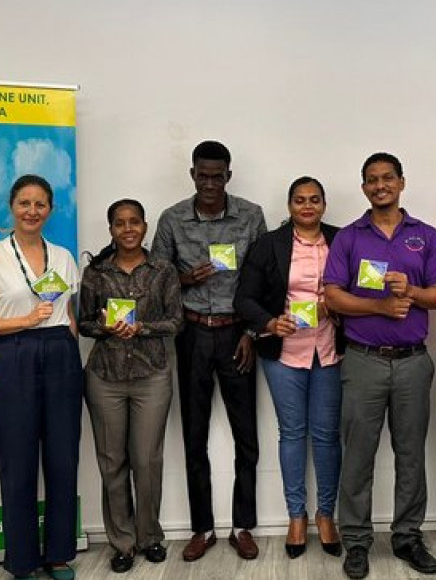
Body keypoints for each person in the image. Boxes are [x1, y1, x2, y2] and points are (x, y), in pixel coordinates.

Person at [323, 152, 436, 580]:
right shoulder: (349, 238)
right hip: (363, 362)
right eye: (372, 180)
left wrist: (410, 291)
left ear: (401, 182)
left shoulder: (425, 235)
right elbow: (332, 297)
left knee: (410, 455)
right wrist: (379, 305)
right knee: (357, 456)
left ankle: (407, 536)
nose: (380, 186)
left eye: (387, 178)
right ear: (364, 188)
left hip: (414, 363)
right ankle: (356, 541)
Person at [151, 140, 267, 561]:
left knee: (246, 436)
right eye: (203, 175)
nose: (211, 183)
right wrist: (184, 280)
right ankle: (202, 528)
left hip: (237, 334)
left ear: (228, 176)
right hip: (193, 334)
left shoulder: (251, 216)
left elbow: (261, 283)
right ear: (193, 175)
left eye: (218, 175)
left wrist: (252, 334)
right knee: (194, 435)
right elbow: (154, 285)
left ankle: (242, 526)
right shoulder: (172, 219)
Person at [0, 175, 82, 580]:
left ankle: (60, 554)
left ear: (51, 210)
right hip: (14, 356)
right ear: (12, 206)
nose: (33, 211)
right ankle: (23, 560)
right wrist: (23, 321)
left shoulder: (64, 257)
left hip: (61, 357)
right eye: (25, 203)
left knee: (64, 457)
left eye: (41, 204)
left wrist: (68, 341)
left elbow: (69, 314)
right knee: (17, 461)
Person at [234, 177, 346, 559]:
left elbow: (363, 287)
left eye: (315, 199)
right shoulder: (269, 245)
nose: (307, 206)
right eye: (300, 200)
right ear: (289, 206)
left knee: (328, 436)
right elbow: (243, 298)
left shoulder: (341, 239)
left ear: (324, 204)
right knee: (292, 434)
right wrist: (268, 323)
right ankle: (296, 516)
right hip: (284, 354)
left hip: (330, 351)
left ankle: (326, 515)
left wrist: (340, 303)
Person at [77, 199, 182, 573]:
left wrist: (144, 329)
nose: (127, 229)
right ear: (110, 230)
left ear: (144, 226)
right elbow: (84, 323)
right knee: (112, 463)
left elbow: (176, 322)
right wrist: (104, 327)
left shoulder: (163, 270)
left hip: (151, 375)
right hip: (105, 378)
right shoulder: (96, 273)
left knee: (147, 461)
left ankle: (149, 536)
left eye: (134, 222)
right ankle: (122, 543)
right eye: (119, 223)